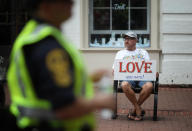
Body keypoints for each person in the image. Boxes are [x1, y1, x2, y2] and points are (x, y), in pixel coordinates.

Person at [6, 0, 114, 130]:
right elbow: (65, 107)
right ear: (45, 6)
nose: (72, 3)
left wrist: (89, 78)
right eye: (64, 1)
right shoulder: (46, 45)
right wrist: (99, 101)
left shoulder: (38, 35)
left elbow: (45, 82)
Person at [112, 31, 153, 121]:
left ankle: (135, 110)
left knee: (149, 86)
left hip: (142, 78)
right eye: (125, 39)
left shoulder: (143, 52)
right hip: (127, 78)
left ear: (136, 40)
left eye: (129, 39)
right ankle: (138, 109)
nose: (126, 41)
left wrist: (154, 72)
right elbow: (115, 69)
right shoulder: (120, 53)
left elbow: (148, 67)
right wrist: (114, 71)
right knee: (124, 85)